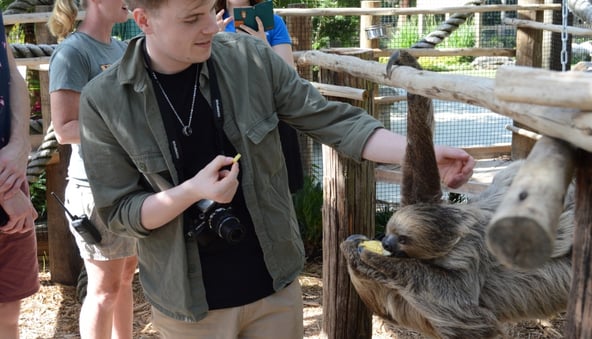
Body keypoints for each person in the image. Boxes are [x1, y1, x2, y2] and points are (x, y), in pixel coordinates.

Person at [77, 0, 475, 337]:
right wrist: (192, 192)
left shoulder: (249, 58)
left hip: (274, 289)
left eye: (210, 11)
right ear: (144, 19)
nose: (209, 27)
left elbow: (333, 120)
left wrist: (421, 153)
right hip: (188, 306)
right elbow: (121, 213)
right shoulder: (104, 100)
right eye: (191, 18)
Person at [47, 0, 138, 338]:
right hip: (94, 188)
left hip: (128, 184)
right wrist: (121, 124)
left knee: (126, 277)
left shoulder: (119, 48)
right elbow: (64, 128)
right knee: (103, 290)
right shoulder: (72, 52)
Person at [216, 0, 304, 193]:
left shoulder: (273, 22)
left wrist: (262, 44)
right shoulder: (210, 23)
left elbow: (288, 75)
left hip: (271, 114)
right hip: (228, 116)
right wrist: (212, 41)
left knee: (279, 187)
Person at [0, 11, 40, 339]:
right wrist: (5, 190)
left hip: (10, 176)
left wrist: (20, 144)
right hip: (7, 187)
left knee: (8, 315)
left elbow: (12, 74)